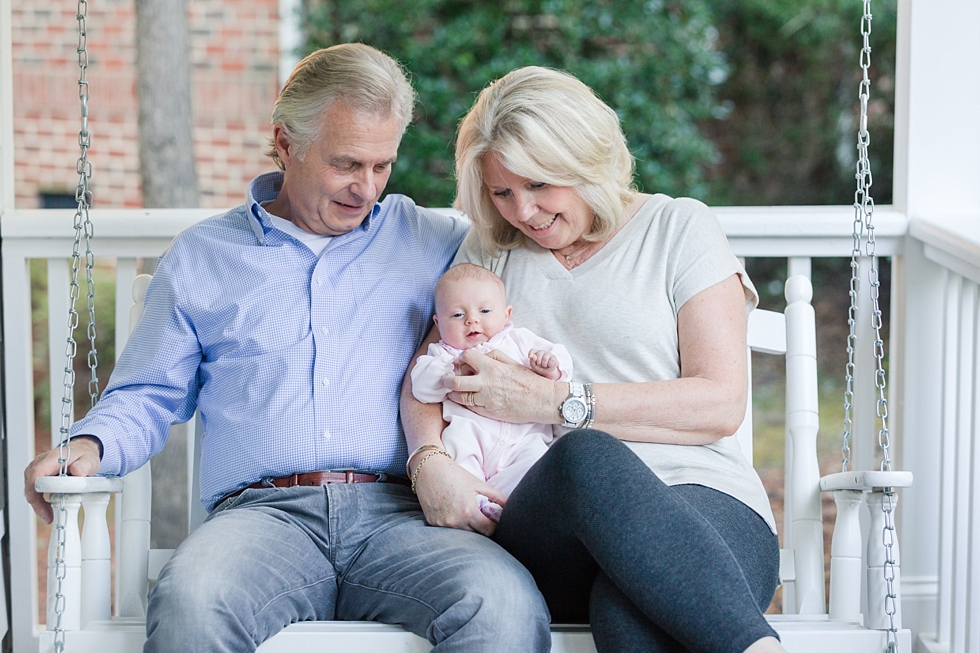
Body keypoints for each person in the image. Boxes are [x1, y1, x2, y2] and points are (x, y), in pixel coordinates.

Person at [24, 44, 550, 653]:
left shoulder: (435, 241)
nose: (366, 188)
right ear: (285, 142)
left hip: (406, 514)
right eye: (346, 163)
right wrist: (89, 444)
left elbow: (546, 243)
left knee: (503, 602)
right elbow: (148, 392)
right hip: (263, 520)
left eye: (383, 166)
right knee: (191, 602)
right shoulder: (203, 257)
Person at [402, 66, 788, 653]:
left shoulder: (679, 228)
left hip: (703, 494)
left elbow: (720, 402)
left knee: (629, 607)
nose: (523, 212)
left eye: (538, 185)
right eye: (502, 193)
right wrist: (428, 461)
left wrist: (557, 402)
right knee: (584, 455)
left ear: (584, 161)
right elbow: (427, 370)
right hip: (552, 516)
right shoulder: (490, 251)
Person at [411, 263, 572, 512]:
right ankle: (478, 503)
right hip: (471, 435)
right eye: (456, 315)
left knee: (536, 467)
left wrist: (550, 367)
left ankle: (501, 505)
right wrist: (446, 370)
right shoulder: (442, 353)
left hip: (524, 440)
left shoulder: (518, 340)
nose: (472, 320)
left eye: (485, 310)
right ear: (438, 322)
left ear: (507, 315)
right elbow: (420, 387)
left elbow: (561, 368)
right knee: (460, 463)